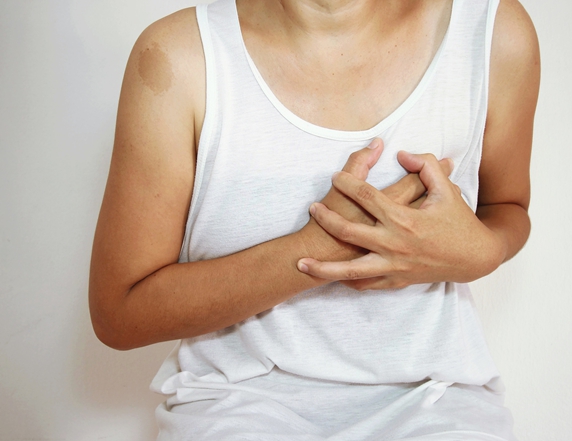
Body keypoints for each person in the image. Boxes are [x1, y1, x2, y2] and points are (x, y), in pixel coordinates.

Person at [89, 0, 539, 439]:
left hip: (435, 401)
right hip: (235, 401)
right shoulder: (180, 55)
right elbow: (120, 314)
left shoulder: (490, 30)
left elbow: (508, 207)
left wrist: (483, 252)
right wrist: (325, 244)